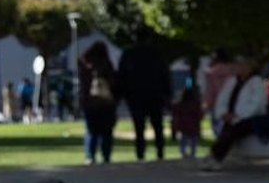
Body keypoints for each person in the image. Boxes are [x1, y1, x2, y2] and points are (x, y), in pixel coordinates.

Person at [117, 29, 172, 161]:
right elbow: (165, 73)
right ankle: (159, 151)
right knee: (157, 125)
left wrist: (122, 94)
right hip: (154, 93)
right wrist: (167, 93)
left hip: (136, 95)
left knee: (139, 126)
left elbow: (122, 76)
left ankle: (140, 153)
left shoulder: (129, 53)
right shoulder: (155, 52)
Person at [77, 41, 119, 164]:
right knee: (106, 132)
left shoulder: (86, 66)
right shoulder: (107, 65)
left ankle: (90, 155)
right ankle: (105, 156)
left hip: (90, 103)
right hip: (106, 103)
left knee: (91, 131)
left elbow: (84, 87)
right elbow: (114, 84)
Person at [171, 85, 203, 159]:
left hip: (184, 125)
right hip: (194, 125)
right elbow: (200, 114)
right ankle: (192, 153)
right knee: (193, 140)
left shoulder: (181, 104)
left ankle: (183, 153)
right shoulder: (196, 104)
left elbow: (175, 111)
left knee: (183, 139)